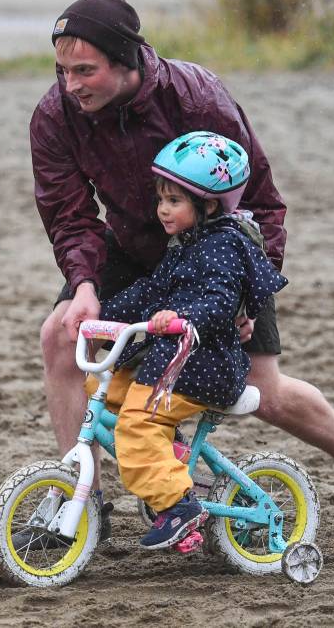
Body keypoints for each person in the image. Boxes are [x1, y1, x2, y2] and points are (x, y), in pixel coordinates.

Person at [30, 0, 334, 546]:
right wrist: (86, 284)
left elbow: (262, 203)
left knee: (262, 391)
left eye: (85, 71)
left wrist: (240, 300)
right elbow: (69, 215)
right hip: (133, 250)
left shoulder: (195, 97)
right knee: (62, 337)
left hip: (222, 249)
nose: (70, 85)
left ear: (128, 60)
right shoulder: (56, 113)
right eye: (62, 70)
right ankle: (78, 497)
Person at [96, 131, 288, 549]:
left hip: (205, 365)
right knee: (104, 391)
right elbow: (151, 290)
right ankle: (172, 451)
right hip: (175, 361)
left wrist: (180, 318)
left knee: (138, 422)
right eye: (161, 199)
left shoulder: (224, 246)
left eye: (174, 201)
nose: (162, 210)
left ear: (209, 204)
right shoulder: (186, 244)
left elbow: (219, 301)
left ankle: (179, 508)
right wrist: (100, 313)